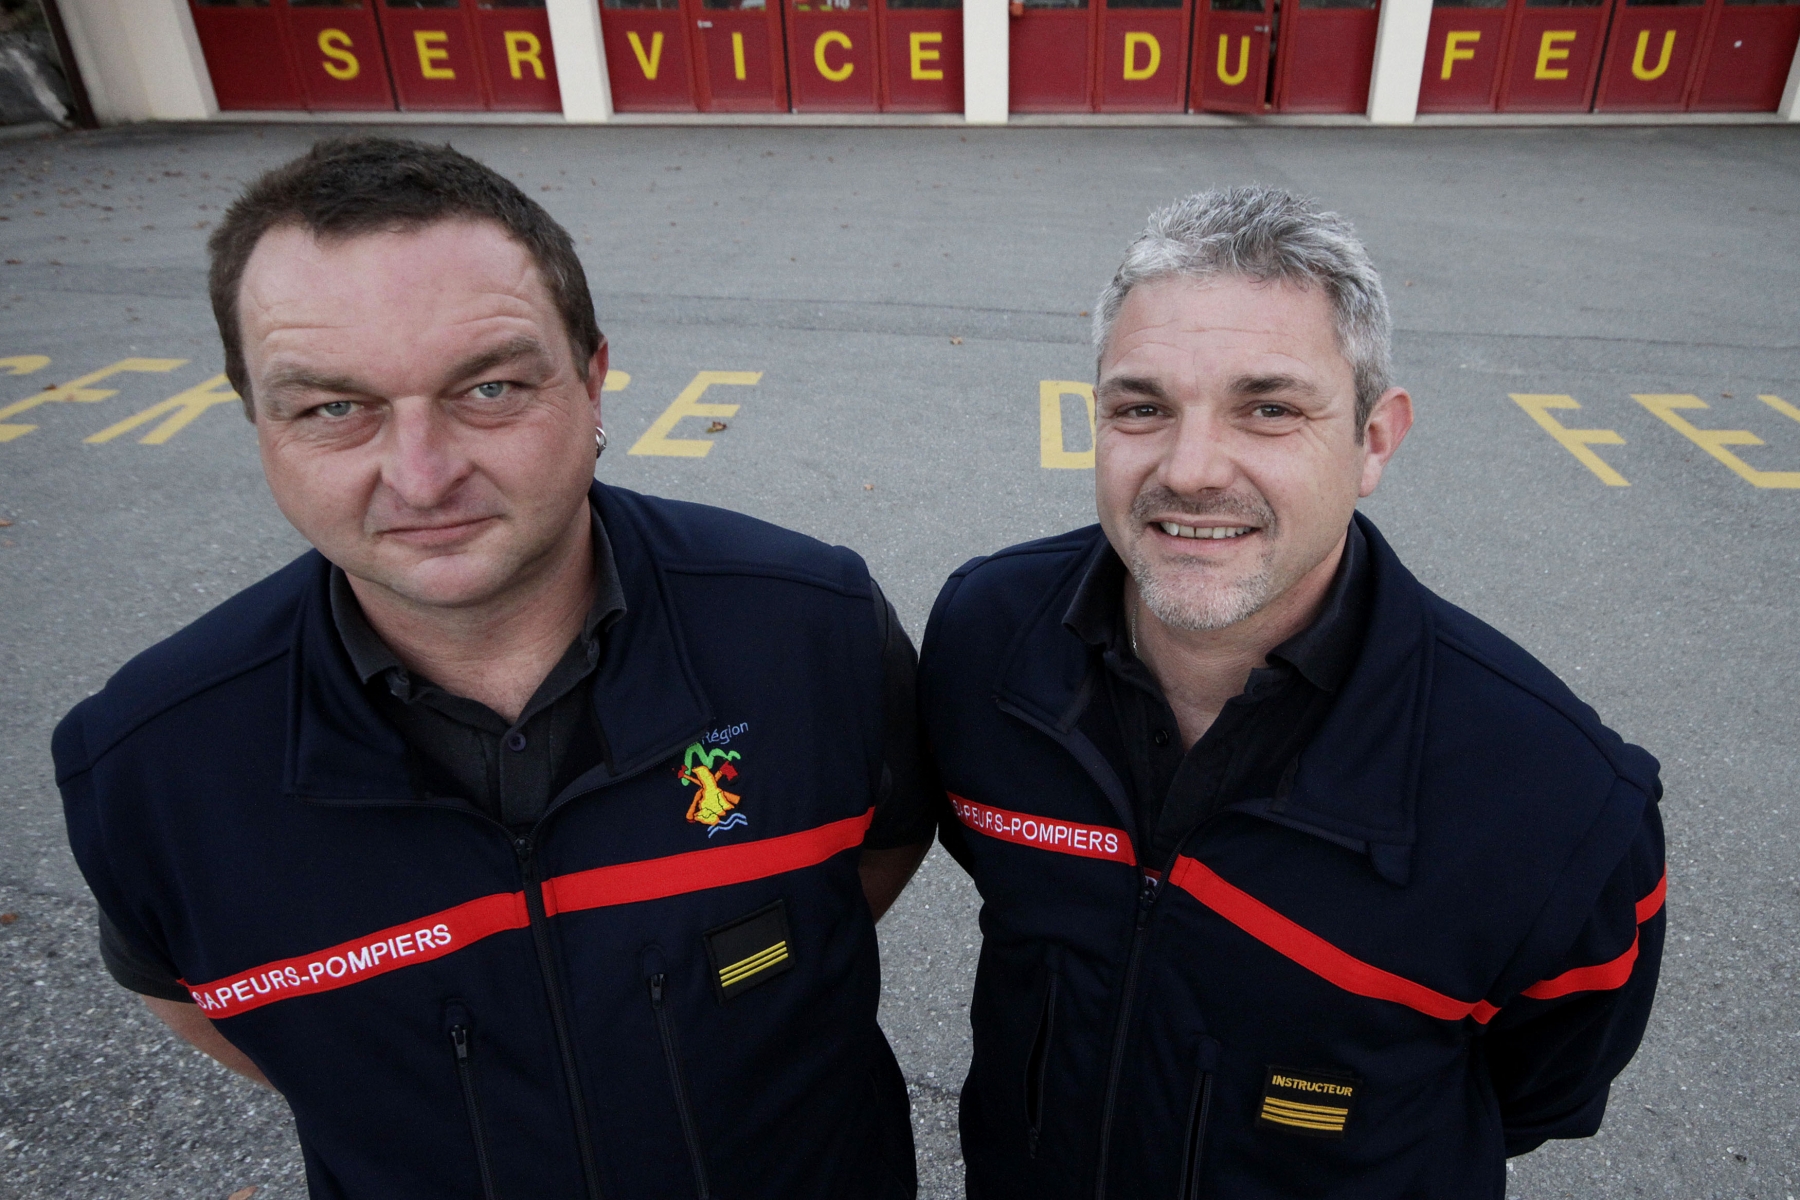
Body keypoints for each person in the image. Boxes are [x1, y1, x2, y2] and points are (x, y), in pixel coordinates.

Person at [53, 136, 934, 1200]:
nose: (422, 477)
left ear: (594, 379)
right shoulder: (153, 766)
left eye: (490, 387)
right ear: (256, 419)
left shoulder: (811, 630)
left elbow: (871, 860)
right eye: (334, 407)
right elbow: (218, 1009)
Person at [918, 187, 1665, 1198]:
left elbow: (1541, 1091)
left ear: (1375, 440)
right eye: (1141, 408)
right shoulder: (987, 640)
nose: (1189, 470)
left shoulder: (1557, 802)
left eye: (1269, 408)